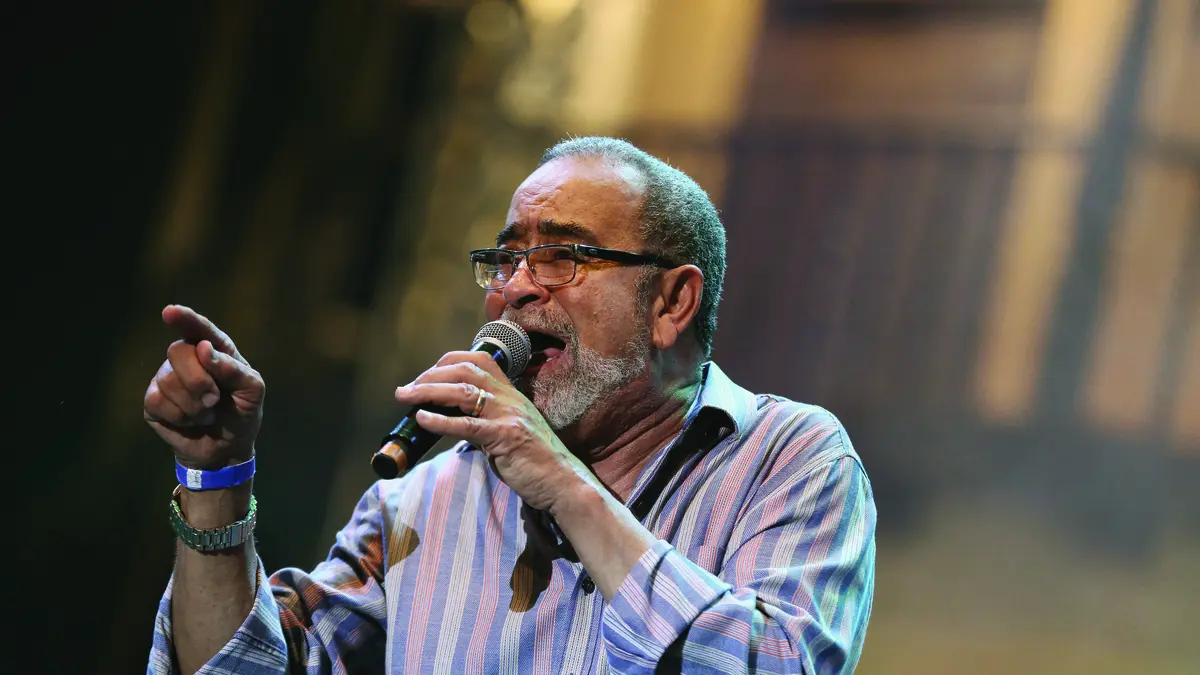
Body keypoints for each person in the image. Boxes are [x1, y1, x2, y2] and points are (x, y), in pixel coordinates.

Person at [145, 137, 876, 675]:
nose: (516, 287)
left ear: (671, 302)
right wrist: (216, 475)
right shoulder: (421, 500)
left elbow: (777, 665)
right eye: (505, 259)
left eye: (563, 257)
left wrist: (560, 481)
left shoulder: (789, 458)